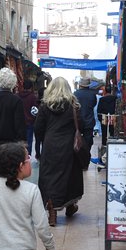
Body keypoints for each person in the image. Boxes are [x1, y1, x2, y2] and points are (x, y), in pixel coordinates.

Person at [35, 77, 84, 226]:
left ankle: (52, 214)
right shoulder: (73, 106)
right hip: (68, 147)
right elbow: (80, 125)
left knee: (49, 178)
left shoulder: (44, 106)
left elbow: (38, 128)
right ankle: (70, 206)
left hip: (50, 146)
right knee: (69, 176)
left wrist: (39, 145)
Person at [73, 77, 97, 167]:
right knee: (88, 142)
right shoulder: (92, 94)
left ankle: (78, 160)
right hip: (89, 121)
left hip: (77, 122)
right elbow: (93, 104)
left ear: (80, 84)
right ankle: (85, 161)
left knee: (76, 141)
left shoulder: (75, 94)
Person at [17, 80, 39, 154]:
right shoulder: (32, 97)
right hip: (29, 122)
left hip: (19, 122)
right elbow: (35, 111)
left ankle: (18, 156)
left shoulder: (17, 96)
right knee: (28, 142)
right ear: (31, 87)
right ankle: (27, 158)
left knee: (19, 141)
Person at [97, 85, 117, 162]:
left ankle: (104, 148)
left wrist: (99, 119)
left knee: (104, 133)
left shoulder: (102, 99)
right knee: (112, 132)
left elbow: (99, 109)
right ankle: (112, 146)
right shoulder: (115, 98)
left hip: (104, 117)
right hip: (113, 117)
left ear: (105, 91)